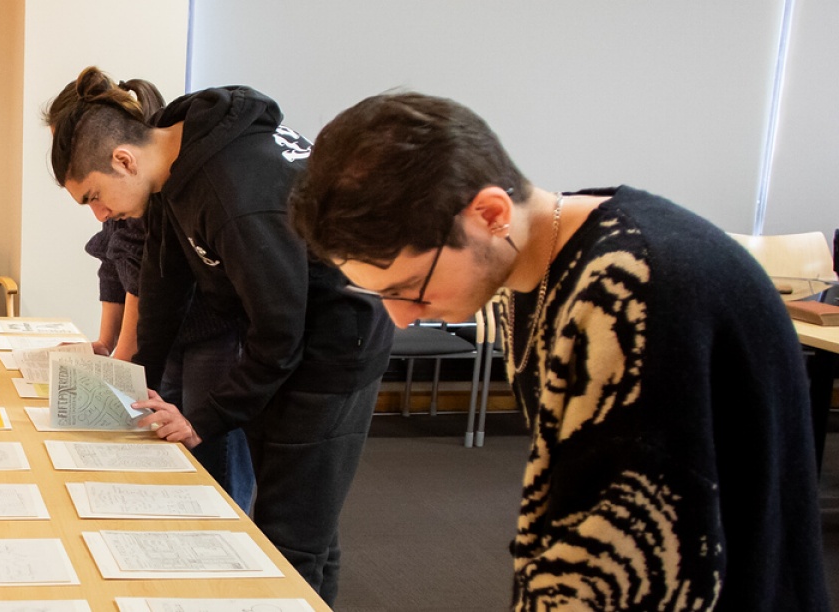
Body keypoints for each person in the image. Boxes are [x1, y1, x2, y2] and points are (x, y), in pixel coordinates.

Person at [289, 91, 828, 610]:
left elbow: (636, 566)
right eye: (379, 293)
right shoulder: (538, 266)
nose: (401, 317)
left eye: (412, 288)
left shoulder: (630, 288)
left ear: (491, 213)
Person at [43, 67, 393, 603]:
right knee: (301, 520)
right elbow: (162, 286)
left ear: (123, 160)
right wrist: (130, 391)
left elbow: (282, 332)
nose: (100, 214)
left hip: (336, 349)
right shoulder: (176, 164)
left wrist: (202, 420)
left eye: (94, 196)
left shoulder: (233, 188)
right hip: (286, 335)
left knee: (290, 539)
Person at [79, 78, 257, 512]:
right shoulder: (127, 192)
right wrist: (107, 345)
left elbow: (143, 280)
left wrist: (121, 360)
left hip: (211, 330)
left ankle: (227, 522)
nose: (98, 211)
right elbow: (116, 266)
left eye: (93, 196)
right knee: (174, 437)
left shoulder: (160, 190)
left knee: (214, 448)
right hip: (172, 336)